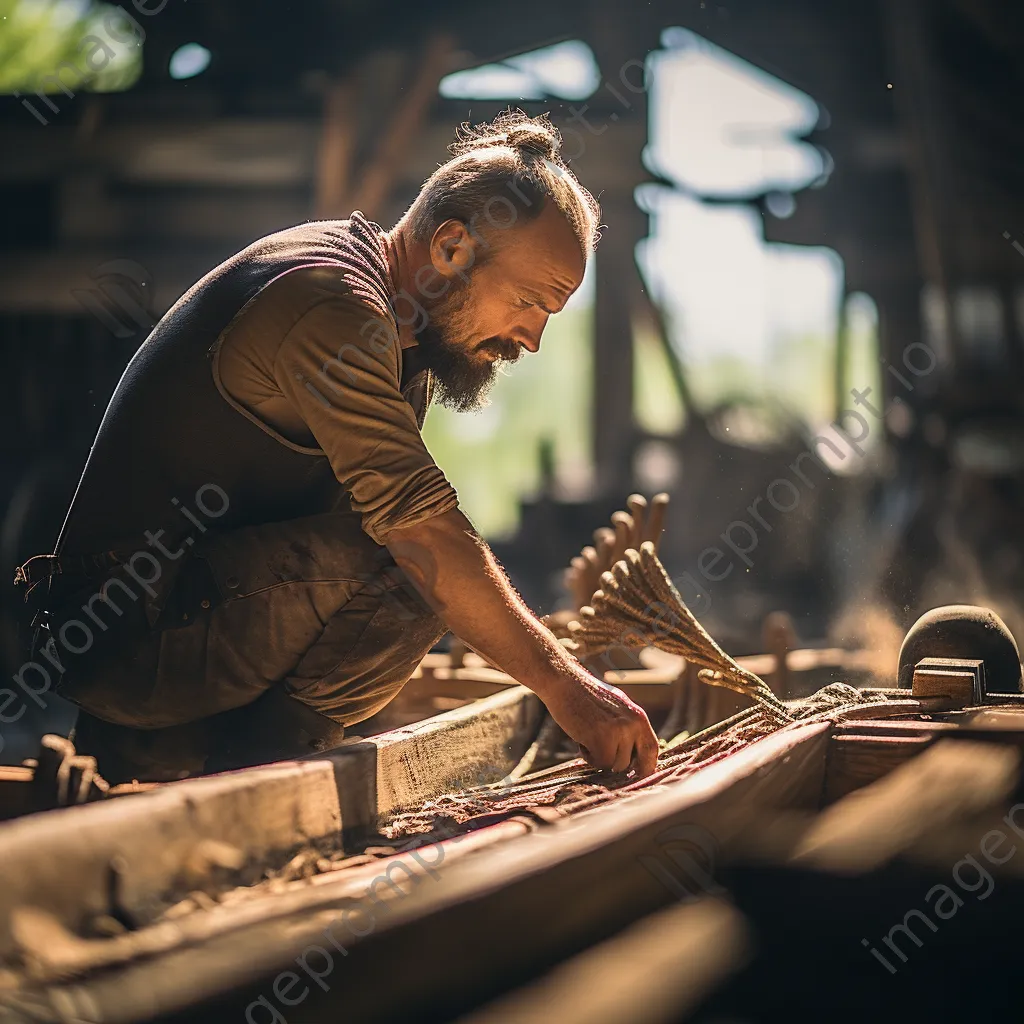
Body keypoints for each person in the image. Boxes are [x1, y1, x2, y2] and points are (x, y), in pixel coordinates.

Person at [15, 110, 659, 783]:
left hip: (177, 619)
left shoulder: (403, 345)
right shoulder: (332, 305)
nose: (530, 338)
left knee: (407, 561)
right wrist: (566, 687)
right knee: (412, 569)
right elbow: (422, 535)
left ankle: (200, 768)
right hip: (126, 638)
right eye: (529, 301)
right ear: (450, 248)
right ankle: (255, 782)